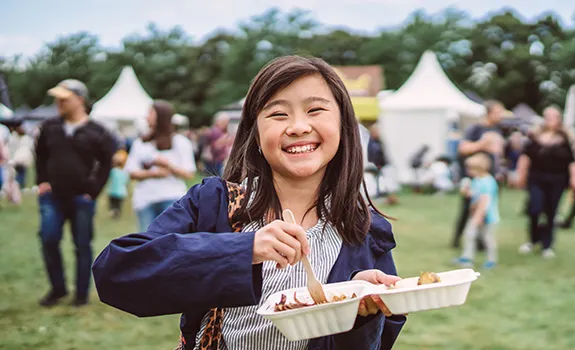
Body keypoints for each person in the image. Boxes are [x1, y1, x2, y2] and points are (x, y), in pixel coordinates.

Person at [92, 56, 405, 349]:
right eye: (278, 113)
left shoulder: (365, 229)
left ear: (342, 126)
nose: (297, 126)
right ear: (255, 133)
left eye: (315, 110)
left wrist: (359, 311)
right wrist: (243, 250)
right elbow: (116, 275)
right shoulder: (213, 204)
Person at [36, 79, 117, 307]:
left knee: (82, 245)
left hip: (81, 198)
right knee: (49, 239)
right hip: (52, 196)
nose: (58, 102)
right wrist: (42, 181)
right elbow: (40, 156)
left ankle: (81, 295)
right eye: (57, 98)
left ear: (80, 100)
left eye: (64, 98)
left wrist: (93, 191)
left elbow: (106, 164)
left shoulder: (98, 132)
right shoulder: (49, 127)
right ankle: (58, 289)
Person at [513, 106, 575, 258]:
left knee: (551, 211)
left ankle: (547, 244)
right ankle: (532, 239)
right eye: (547, 116)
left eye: (553, 116)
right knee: (534, 208)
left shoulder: (566, 139)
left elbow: (574, 160)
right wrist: (520, 175)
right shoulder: (535, 137)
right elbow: (525, 157)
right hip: (537, 177)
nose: (550, 119)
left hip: (557, 179)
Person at [125, 100, 197, 231]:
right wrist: (153, 173)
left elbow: (189, 173)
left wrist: (167, 165)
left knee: (171, 241)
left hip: (172, 198)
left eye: (150, 113)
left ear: (161, 116)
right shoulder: (140, 143)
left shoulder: (180, 142)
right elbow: (131, 171)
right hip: (145, 200)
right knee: (147, 242)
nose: (147, 117)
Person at [452, 100, 504, 249]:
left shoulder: (497, 129)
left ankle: (481, 241)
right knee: (468, 208)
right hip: (472, 175)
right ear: (489, 113)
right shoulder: (475, 129)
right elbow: (463, 148)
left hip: (489, 175)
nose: (500, 115)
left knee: (487, 207)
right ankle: (458, 238)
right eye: (497, 112)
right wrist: (483, 143)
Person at [455, 153, 499, 269]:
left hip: (486, 216)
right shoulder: (476, 180)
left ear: (479, 168)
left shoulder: (488, 182)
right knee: (469, 235)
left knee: (487, 238)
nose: (468, 171)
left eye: (470, 168)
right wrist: (466, 191)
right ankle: (467, 257)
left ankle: (491, 260)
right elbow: (474, 195)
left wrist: (478, 217)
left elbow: (485, 200)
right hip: (475, 214)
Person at [107, 151, 129, 219]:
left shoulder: (113, 171)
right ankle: (117, 213)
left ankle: (114, 212)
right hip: (121, 192)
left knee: (113, 204)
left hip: (113, 191)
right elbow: (126, 182)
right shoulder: (125, 172)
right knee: (118, 205)